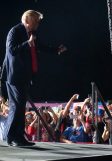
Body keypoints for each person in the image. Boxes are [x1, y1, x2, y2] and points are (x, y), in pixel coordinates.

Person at [1, 10, 66, 146]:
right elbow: (11, 50)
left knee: (20, 106)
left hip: (24, 76)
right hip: (14, 75)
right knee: (16, 106)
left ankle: (18, 136)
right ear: (29, 19)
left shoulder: (32, 34)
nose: (38, 23)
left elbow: (39, 47)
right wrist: (27, 43)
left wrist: (56, 50)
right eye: (36, 20)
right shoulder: (15, 31)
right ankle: (10, 136)